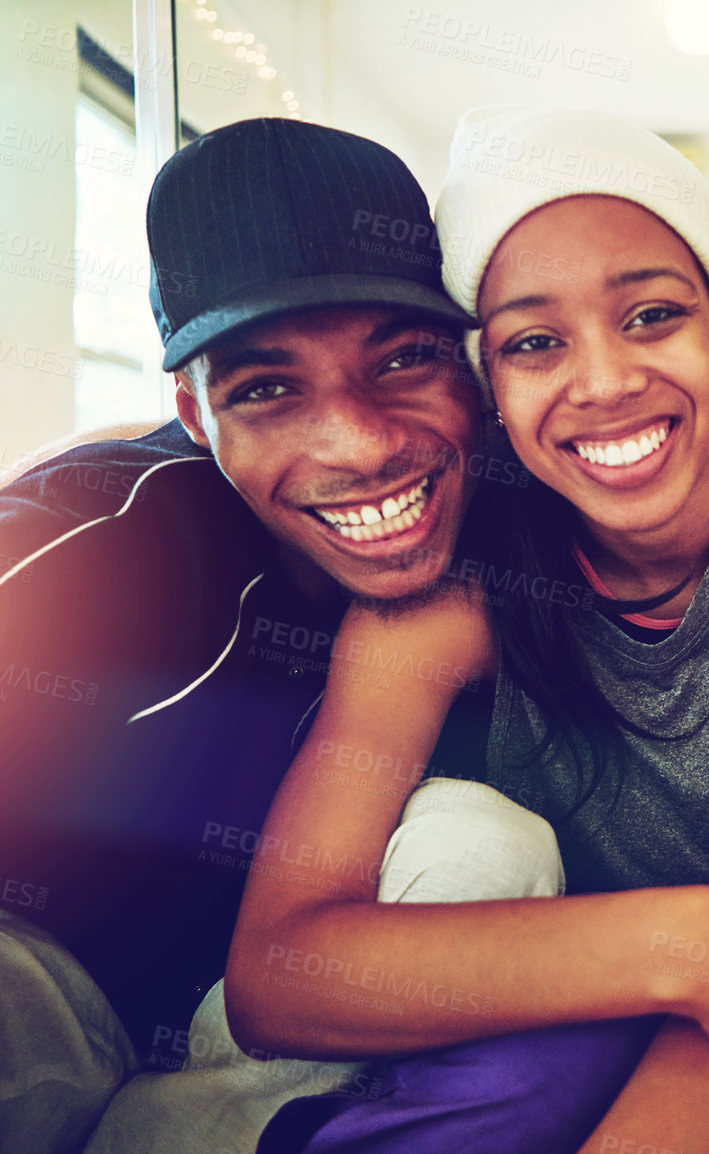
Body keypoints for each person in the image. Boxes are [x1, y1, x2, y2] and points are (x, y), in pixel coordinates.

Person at [220, 106, 709, 1154]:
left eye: (653, 315)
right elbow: (278, 972)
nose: (605, 381)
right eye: (532, 341)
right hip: (584, 1023)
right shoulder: (453, 587)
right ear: (492, 391)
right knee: (524, 1071)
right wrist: (698, 939)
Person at [0, 117, 488, 1153]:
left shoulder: (538, 519)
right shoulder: (124, 551)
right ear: (192, 411)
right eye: (267, 389)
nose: (359, 444)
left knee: (483, 848)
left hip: (236, 1061)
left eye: (404, 359)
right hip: (48, 999)